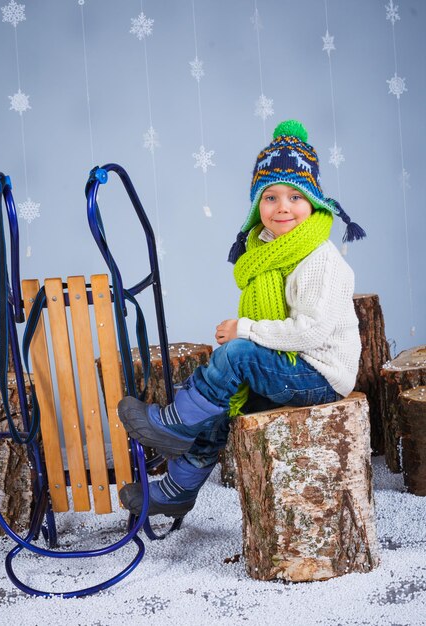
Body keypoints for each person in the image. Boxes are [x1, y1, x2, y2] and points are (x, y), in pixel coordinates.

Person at [118, 119, 365, 517]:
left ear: (314, 204)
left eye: (295, 197)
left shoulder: (320, 259)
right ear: (256, 207)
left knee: (236, 355)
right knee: (221, 401)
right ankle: (179, 487)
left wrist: (245, 330)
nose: (282, 207)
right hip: (291, 367)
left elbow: (312, 330)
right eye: (270, 197)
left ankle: (174, 425)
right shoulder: (268, 254)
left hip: (319, 375)